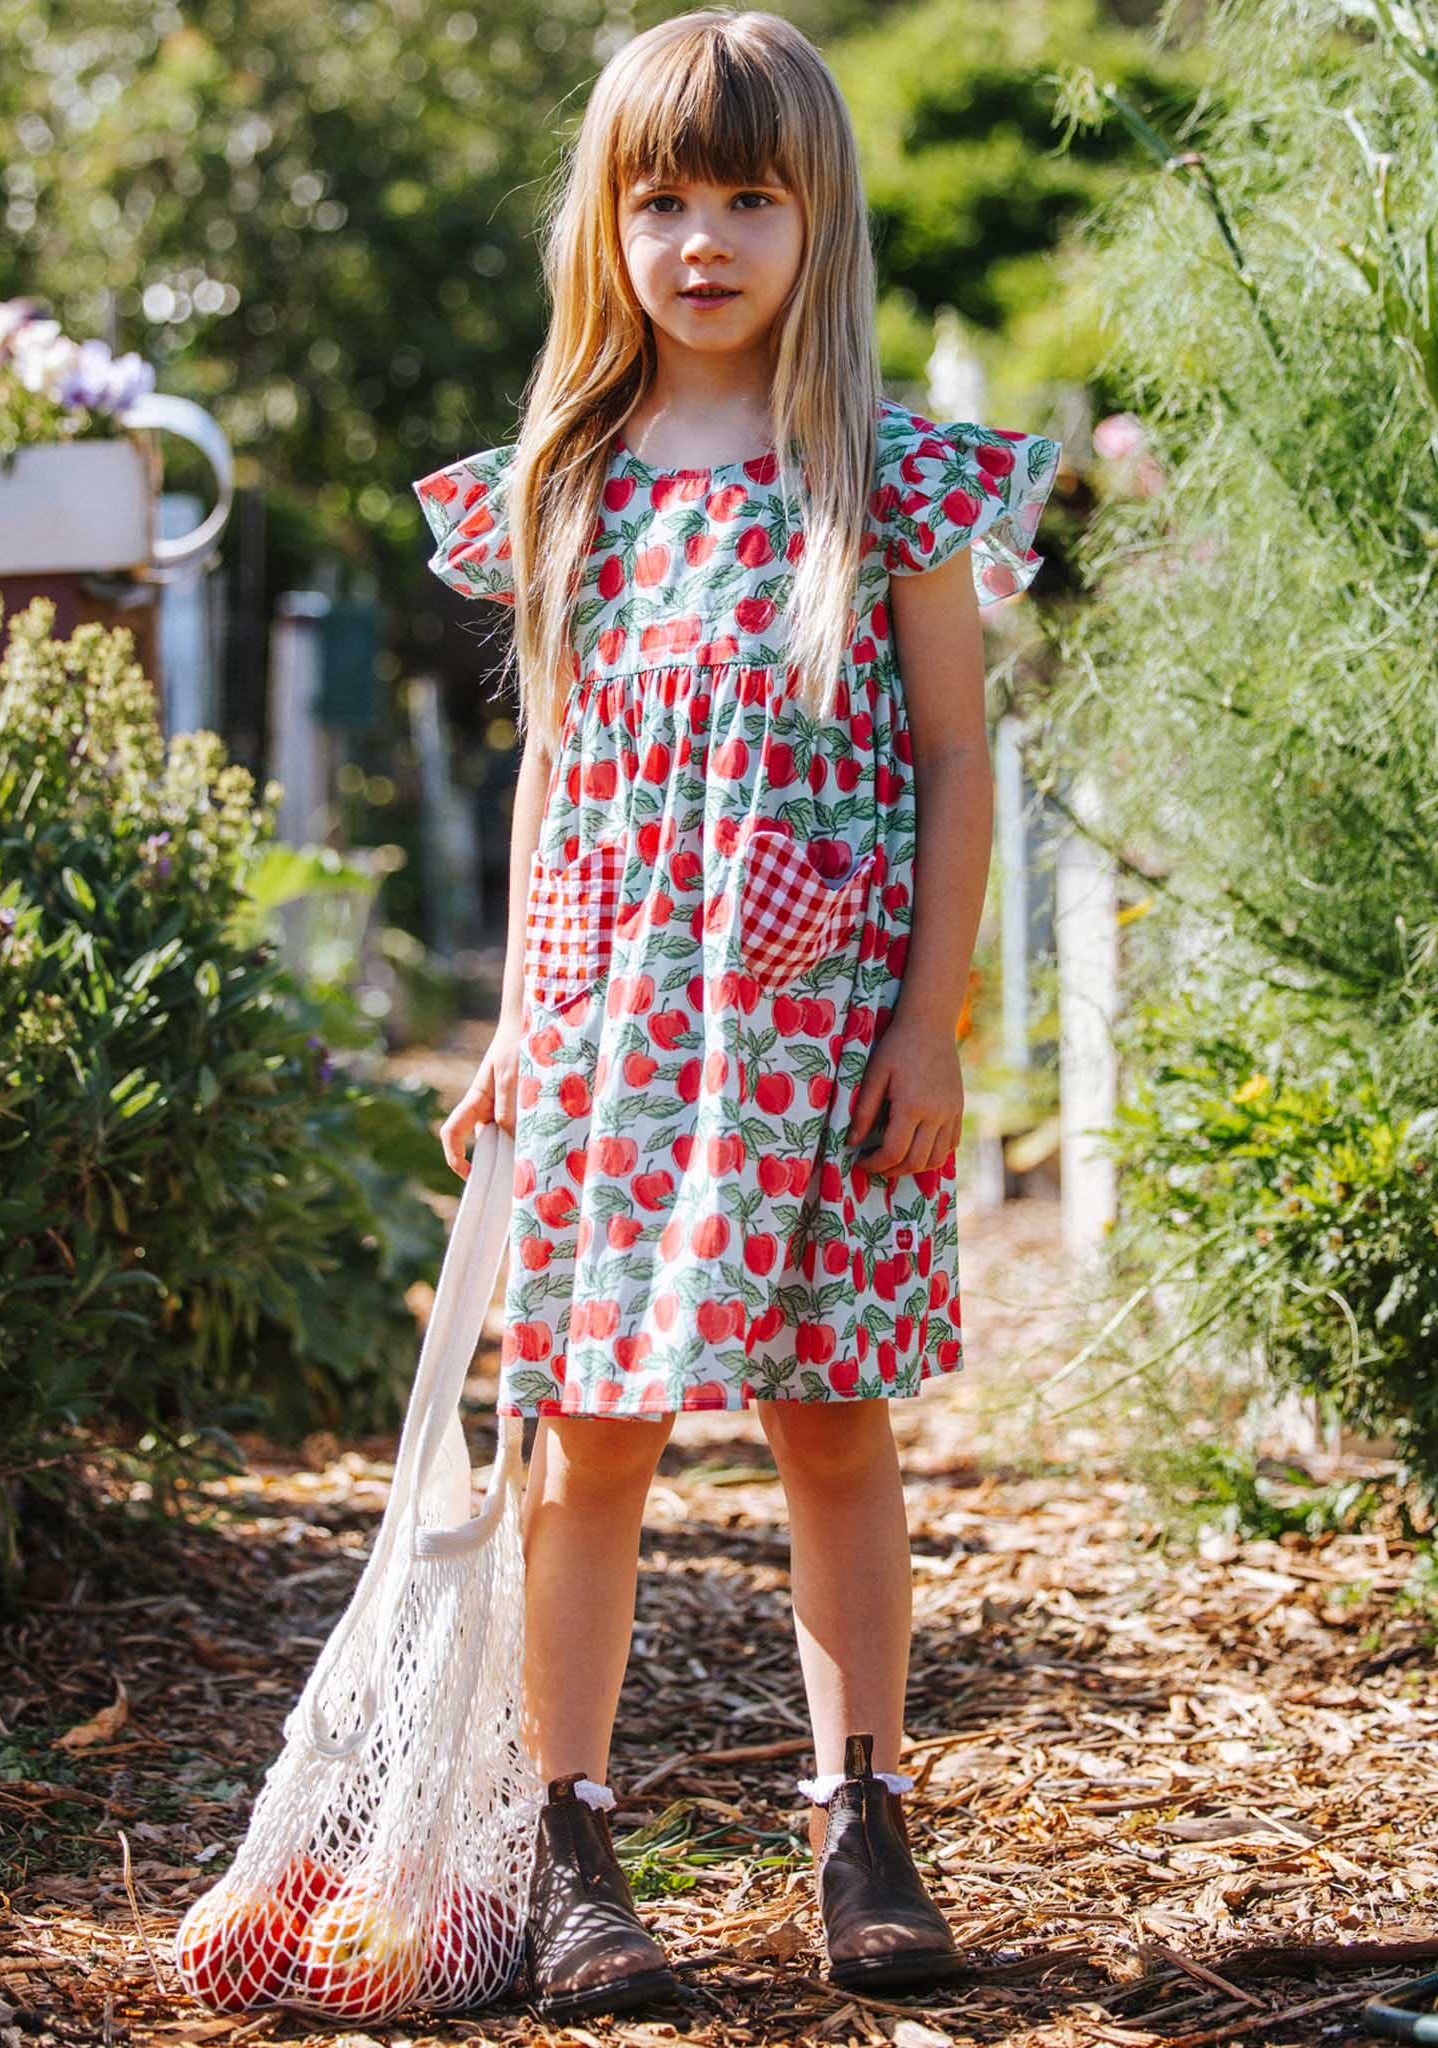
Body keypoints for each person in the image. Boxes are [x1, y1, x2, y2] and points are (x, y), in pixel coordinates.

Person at [413, 6, 1062, 2022]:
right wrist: (526, 1006)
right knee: (585, 1436)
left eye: (748, 198)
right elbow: (558, 764)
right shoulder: (572, 480)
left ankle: (861, 1815)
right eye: (662, 197)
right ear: (605, 224)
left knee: (831, 1424)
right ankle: (574, 1840)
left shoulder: (893, 485)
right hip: (618, 1036)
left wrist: (930, 1025)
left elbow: (957, 763)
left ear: (818, 219)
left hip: (819, 1045)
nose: (702, 239)